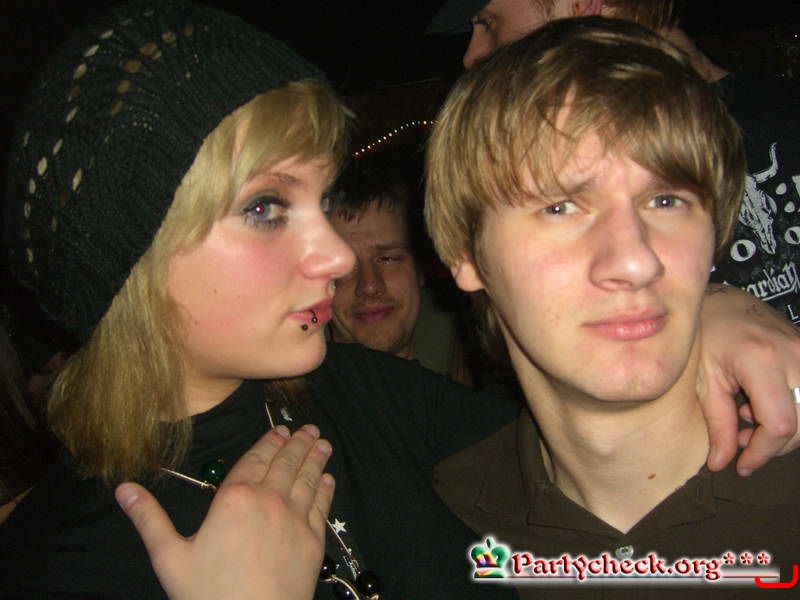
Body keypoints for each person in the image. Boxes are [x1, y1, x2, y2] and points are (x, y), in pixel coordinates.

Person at [0, 2, 519, 599]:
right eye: (265, 207)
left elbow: (587, 501)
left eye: (323, 200)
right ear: (126, 260)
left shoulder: (365, 389)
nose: (338, 257)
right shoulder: (55, 568)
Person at [426, 17, 800, 598]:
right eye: (560, 207)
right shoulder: (435, 526)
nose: (635, 261)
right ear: (465, 255)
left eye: (666, 200)